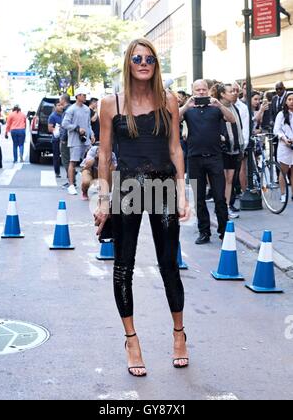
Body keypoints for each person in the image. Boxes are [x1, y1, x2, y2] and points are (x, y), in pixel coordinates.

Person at [94, 38, 191, 377]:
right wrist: (102, 200)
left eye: (149, 58)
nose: (143, 62)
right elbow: (105, 155)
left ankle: (179, 334)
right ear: (128, 63)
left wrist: (183, 191)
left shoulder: (169, 101)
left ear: (155, 64)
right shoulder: (111, 104)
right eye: (137, 57)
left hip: (163, 185)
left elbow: (176, 148)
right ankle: (131, 340)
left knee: (169, 265)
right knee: (124, 267)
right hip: (128, 189)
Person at [180, 79, 235, 245]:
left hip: (215, 158)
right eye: (198, 90)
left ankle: (224, 232)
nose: (201, 92)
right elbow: (172, 118)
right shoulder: (188, 109)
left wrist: (219, 105)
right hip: (194, 159)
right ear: (193, 90)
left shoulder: (215, 108)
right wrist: (186, 105)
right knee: (199, 199)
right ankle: (204, 232)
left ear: (209, 90)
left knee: (219, 197)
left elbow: (232, 119)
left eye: (204, 89)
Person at [212, 84, 244, 219]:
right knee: (222, 179)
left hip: (234, 147)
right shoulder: (216, 108)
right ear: (222, 94)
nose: (234, 93)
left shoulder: (235, 107)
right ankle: (221, 207)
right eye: (231, 91)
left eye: (236, 91)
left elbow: (239, 127)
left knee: (230, 179)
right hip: (221, 148)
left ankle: (226, 206)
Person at [62, 87, 94, 196]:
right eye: (83, 95)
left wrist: (91, 134)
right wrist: (77, 128)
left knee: (89, 162)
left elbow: (88, 124)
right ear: (78, 96)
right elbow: (65, 124)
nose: (85, 97)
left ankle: (88, 184)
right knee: (73, 162)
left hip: (86, 141)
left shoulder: (86, 109)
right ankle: (71, 185)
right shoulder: (71, 109)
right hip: (75, 140)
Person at [274, 92, 293, 202]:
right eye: (289, 99)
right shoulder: (281, 114)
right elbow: (277, 130)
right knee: (283, 171)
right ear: (286, 101)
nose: (292, 101)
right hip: (284, 146)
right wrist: (284, 139)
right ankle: (283, 194)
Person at [48, 101, 63, 178]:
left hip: (64, 139)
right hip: (56, 139)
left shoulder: (65, 115)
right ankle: (57, 172)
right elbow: (50, 128)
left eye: (61, 105)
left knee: (65, 156)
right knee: (56, 156)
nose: (60, 106)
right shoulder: (52, 116)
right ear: (55, 107)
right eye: (58, 105)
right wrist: (57, 129)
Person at [59, 94, 71, 188]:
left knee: (66, 160)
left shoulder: (67, 110)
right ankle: (71, 180)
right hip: (70, 138)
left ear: (63, 100)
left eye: (60, 99)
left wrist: (63, 138)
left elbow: (65, 126)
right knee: (70, 160)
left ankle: (71, 181)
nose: (59, 101)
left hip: (66, 139)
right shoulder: (70, 108)